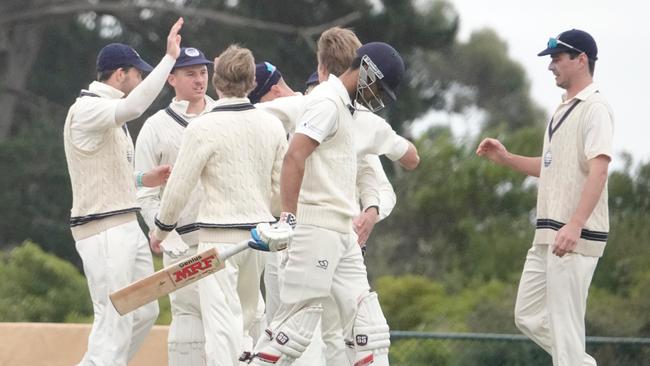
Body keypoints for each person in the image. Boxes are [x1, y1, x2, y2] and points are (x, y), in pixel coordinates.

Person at [245, 41, 406, 366]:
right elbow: (293, 154)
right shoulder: (324, 104)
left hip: (342, 233)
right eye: (377, 88)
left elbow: (373, 171)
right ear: (364, 71)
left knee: (370, 327)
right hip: (312, 229)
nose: (375, 98)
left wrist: (372, 209)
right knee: (295, 327)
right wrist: (288, 218)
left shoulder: (350, 112)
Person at [476, 29, 613, 366]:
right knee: (527, 314)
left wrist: (576, 225)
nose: (551, 66)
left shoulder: (595, 108)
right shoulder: (561, 110)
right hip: (548, 234)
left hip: (573, 235)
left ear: (581, 60)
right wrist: (507, 159)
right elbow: (551, 167)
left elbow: (599, 170)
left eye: (557, 58)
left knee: (566, 332)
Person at [148, 44, 288, 366]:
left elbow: (178, 188)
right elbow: (280, 191)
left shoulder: (203, 127)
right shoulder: (271, 125)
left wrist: (160, 230)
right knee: (248, 323)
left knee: (222, 331)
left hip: (218, 242)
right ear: (252, 82)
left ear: (216, 83)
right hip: (258, 238)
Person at [62, 18, 184, 366]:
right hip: (102, 229)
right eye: (138, 73)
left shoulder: (107, 115)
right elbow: (134, 107)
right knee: (113, 317)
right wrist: (169, 59)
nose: (142, 80)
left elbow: (107, 174)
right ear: (120, 75)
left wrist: (145, 179)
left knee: (143, 312)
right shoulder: (88, 109)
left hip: (125, 225)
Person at [135, 46, 215, 365]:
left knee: (235, 317)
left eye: (203, 72)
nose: (199, 80)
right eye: (190, 73)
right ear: (172, 79)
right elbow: (143, 191)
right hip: (179, 239)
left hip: (222, 235)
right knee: (187, 319)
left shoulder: (223, 114)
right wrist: (166, 235)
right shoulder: (155, 126)